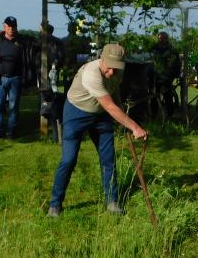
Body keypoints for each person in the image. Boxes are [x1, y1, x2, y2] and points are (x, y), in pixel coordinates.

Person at [48, 44, 148, 218]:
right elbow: (109, 106)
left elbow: (114, 92)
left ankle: (112, 202)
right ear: (102, 59)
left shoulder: (117, 72)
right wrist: (134, 127)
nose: (112, 72)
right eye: (109, 67)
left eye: (116, 68)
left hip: (100, 115)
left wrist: (122, 114)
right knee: (69, 159)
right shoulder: (91, 74)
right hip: (76, 112)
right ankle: (55, 205)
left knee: (108, 158)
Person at [0, 16, 31, 140]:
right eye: (9, 27)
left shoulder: (22, 41)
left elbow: (32, 49)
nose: (11, 29)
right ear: (4, 27)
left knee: (14, 106)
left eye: (13, 27)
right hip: (0, 79)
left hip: (16, 78)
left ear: (16, 27)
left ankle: (11, 132)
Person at [151, 31, 181, 119]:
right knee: (153, 96)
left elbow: (177, 64)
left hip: (167, 77)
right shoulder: (153, 49)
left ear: (167, 39)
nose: (161, 40)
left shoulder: (172, 50)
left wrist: (175, 75)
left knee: (167, 96)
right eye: (160, 38)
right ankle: (154, 115)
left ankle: (169, 115)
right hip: (155, 76)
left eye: (163, 38)